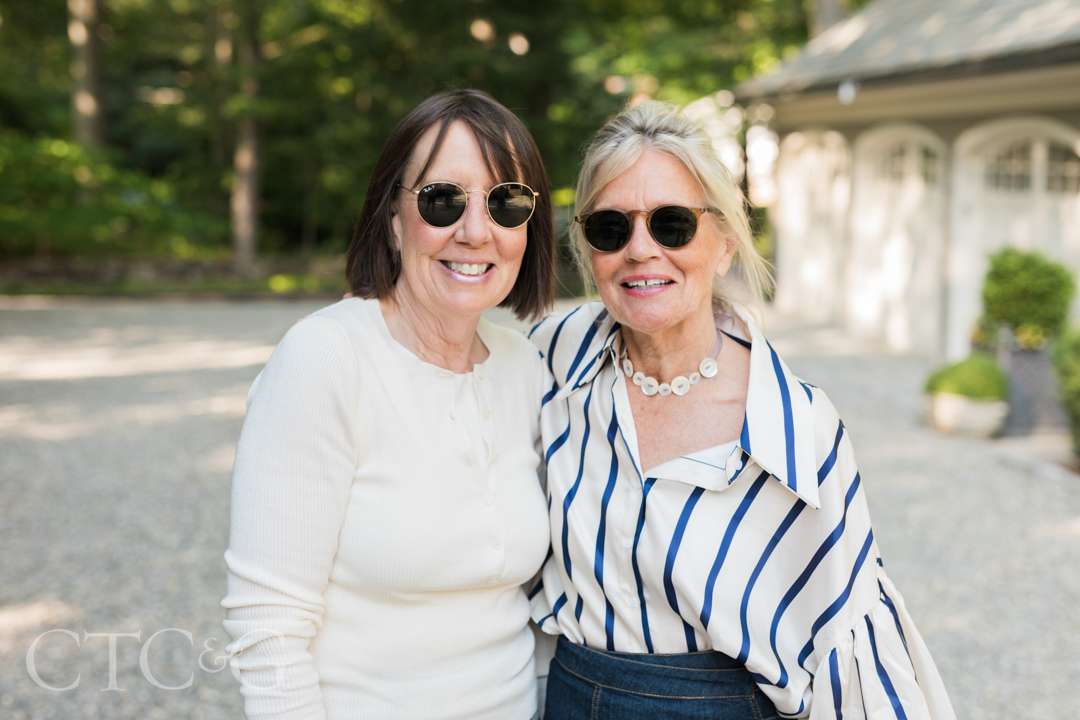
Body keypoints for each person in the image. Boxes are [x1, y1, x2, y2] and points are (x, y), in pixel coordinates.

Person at [527, 101, 956, 719]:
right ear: (588, 249)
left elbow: (847, 642)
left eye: (672, 225)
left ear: (724, 242)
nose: (640, 250)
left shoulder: (797, 429)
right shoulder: (550, 364)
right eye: (610, 228)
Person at [220, 89, 556, 720]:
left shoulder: (525, 369)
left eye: (507, 203)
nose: (476, 231)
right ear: (394, 221)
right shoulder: (325, 360)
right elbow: (268, 625)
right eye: (442, 200)